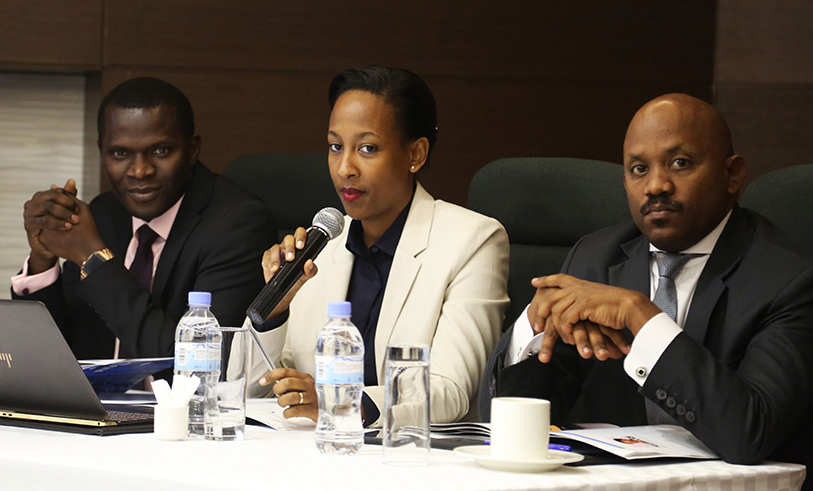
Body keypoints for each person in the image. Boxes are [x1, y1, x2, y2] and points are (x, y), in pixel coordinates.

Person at [481, 93, 813, 469]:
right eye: (639, 169)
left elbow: (750, 433)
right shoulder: (596, 257)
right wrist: (532, 327)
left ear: (732, 175)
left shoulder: (790, 279)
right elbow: (508, 425)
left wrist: (642, 316)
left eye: (680, 163)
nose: (656, 185)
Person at [252, 65, 510, 425]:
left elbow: (451, 392)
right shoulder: (322, 244)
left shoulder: (471, 241)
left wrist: (341, 403)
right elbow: (251, 390)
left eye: (367, 148)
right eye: (335, 147)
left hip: (410, 458)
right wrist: (275, 310)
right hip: (314, 452)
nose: (345, 168)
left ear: (415, 154)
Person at [12, 77, 276, 359]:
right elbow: (49, 353)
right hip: (105, 402)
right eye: (120, 153)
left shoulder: (238, 225)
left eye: (160, 151)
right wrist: (43, 259)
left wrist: (94, 258)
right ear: (102, 151)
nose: (139, 171)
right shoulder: (104, 213)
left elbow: (197, 364)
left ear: (192, 150)